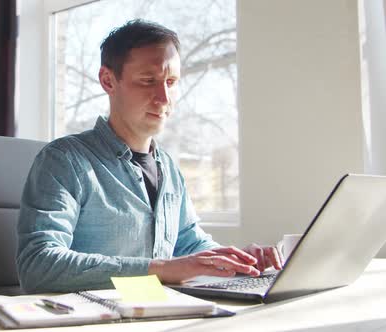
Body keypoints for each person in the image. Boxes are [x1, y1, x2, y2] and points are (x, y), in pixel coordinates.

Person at [17, 19, 281, 293]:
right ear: (108, 80)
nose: (164, 97)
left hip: (155, 313)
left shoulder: (168, 167)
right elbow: (38, 265)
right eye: (148, 81)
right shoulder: (64, 160)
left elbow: (189, 244)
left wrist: (240, 261)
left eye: (171, 81)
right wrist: (161, 270)